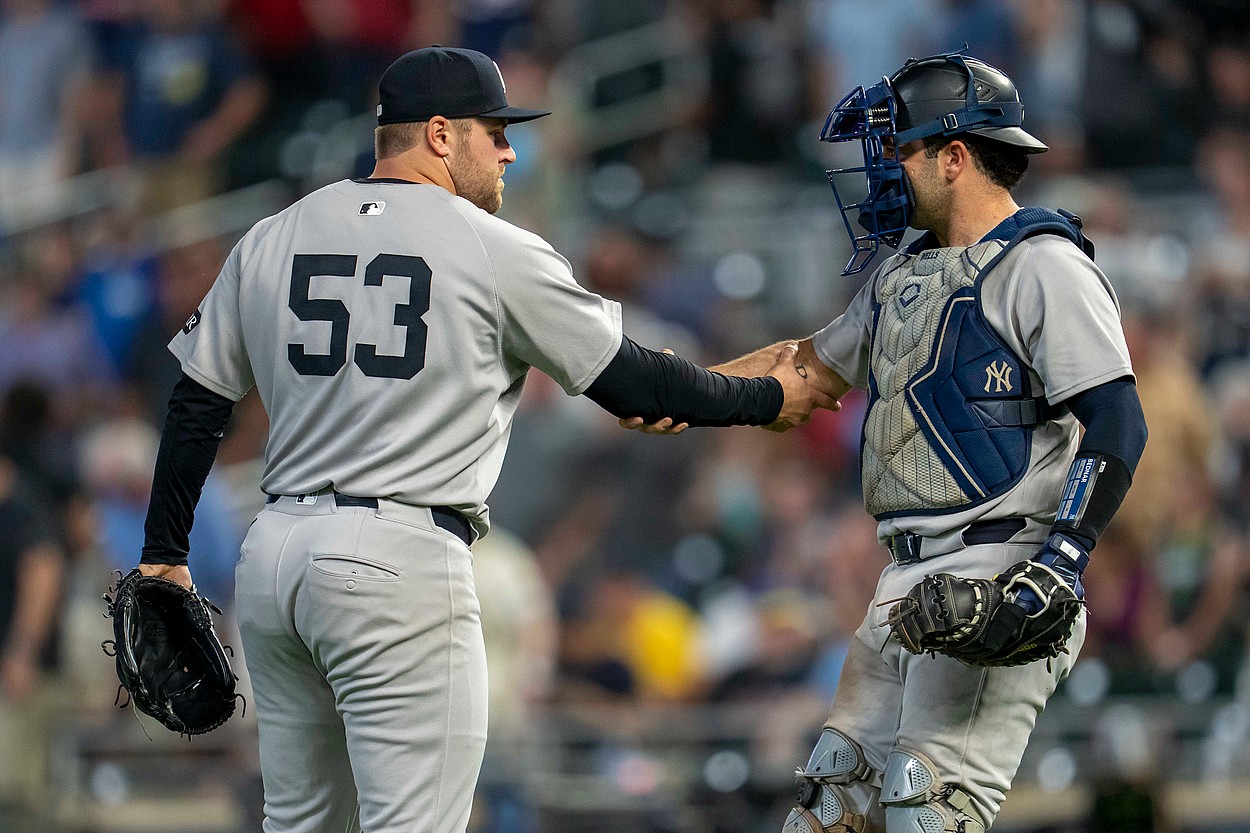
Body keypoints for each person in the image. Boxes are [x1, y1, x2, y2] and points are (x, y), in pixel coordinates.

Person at [131, 45, 831, 833]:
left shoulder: (276, 232)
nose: (509, 150)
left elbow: (195, 403)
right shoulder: (489, 244)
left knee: (298, 824)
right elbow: (635, 386)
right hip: (397, 558)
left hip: (277, 557)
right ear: (438, 133)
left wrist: (163, 551)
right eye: (494, 131)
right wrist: (765, 395)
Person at [624, 50, 1148, 832]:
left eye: (899, 148)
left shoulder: (1045, 264)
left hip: (998, 568)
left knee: (923, 810)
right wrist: (677, 388)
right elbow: (801, 378)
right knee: (830, 812)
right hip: (904, 584)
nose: (883, 169)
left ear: (956, 156)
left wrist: (1062, 561)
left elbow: (1117, 421)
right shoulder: (904, 275)